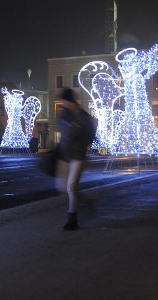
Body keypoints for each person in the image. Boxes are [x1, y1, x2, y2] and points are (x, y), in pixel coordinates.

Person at [55, 88, 96, 230]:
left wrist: (80, 141)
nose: (63, 104)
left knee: (71, 187)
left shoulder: (84, 117)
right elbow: (62, 132)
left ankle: (72, 219)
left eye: (65, 101)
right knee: (62, 187)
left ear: (72, 102)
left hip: (78, 155)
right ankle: (82, 199)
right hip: (64, 155)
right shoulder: (62, 115)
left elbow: (91, 136)